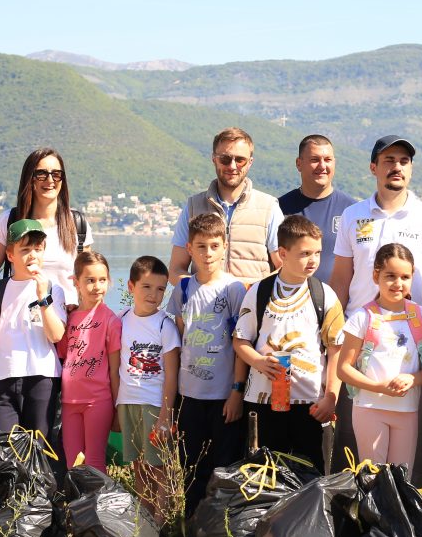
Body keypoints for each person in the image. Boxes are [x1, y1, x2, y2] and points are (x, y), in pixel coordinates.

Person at [331, 136, 422, 484]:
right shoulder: (353, 215)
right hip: (361, 339)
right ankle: (358, 527)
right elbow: (341, 278)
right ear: (374, 167)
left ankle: (415, 521)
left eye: (403, 160)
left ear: (410, 169)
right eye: (388, 159)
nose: (396, 166)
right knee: (354, 449)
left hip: (413, 340)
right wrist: (333, 332)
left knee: (417, 447)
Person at [234, 215, 345, 473]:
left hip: (311, 405)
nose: (313, 260)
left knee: (313, 477)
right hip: (263, 402)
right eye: (305, 253)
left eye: (317, 252)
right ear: (283, 253)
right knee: (265, 476)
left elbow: (336, 350)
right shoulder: (259, 291)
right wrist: (258, 361)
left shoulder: (324, 294)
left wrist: (331, 397)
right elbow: (240, 341)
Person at [166, 213, 250, 517]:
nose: (208, 253)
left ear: (225, 246)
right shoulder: (184, 289)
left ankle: (220, 535)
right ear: (189, 248)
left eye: (214, 245)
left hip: (223, 398)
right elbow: (178, 339)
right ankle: (190, 533)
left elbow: (241, 344)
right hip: (189, 396)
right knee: (191, 470)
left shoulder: (234, 289)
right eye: (201, 246)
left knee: (223, 468)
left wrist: (237, 391)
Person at [336, 243, 422, 467]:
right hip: (369, 408)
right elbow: (343, 369)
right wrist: (378, 388)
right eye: (390, 276)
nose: (398, 284)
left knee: (401, 481)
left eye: (405, 276)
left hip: (408, 409)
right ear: (375, 275)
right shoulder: (362, 318)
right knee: (373, 479)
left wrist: (412, 379)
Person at [0, 219, 66, 443]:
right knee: (3, 449)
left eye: (38, 249)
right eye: (25, 249)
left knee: (40, 448)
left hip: (42, 378)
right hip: (4, 378)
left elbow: (56, 335)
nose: (32, 255)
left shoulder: (53, 289)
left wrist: (43, 299)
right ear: (10, 255)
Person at [168, 128, 284, 282]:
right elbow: (176, 269)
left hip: (253, 304)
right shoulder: (193, 206)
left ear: (250, 162)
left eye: (240, 160)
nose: (232, 166)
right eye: (225, 159)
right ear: (214, 159)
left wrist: (253, 292)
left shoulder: (269, 207)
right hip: (204, 306)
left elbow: (284, 266)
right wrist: (199, 290)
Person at [117, 255, 182, 518]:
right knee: (138, 466)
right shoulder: (120, 318)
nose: (153, 295)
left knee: (158, 467)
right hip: (127, 401)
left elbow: (171, 374)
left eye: (160, 289)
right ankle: (144, 516)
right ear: (131, 287)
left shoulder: (165, 325)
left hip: (155, 404)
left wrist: (166, 415)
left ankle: (162, 519)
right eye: (146, 287)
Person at [0, 148, 93, 299]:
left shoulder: (77, 223)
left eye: (56, 174)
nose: (50, 180)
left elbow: (89, 277)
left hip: (67, 319)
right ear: (30, 178)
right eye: (41, 174)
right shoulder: (10, 220)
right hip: (21, 318)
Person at [58, 251, 121, 471]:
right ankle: (76, 506)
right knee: (72, 463)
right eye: (90, 280)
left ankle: (98, 506)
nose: (97, 286)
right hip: (69, 401)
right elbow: (63, 354)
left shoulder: (111, 320)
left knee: (94, 462)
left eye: (102, 280)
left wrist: (116, 407)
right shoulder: (69, 318)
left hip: (98, 401)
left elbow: (114, 370)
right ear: (76, 282)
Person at [277, 134, 359, 285]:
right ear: (299, 163)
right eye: (315, 160)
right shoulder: (279, 209)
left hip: (338, 304)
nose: (322, 166)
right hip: (289, 302)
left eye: (327, 160)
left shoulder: (352, 210)